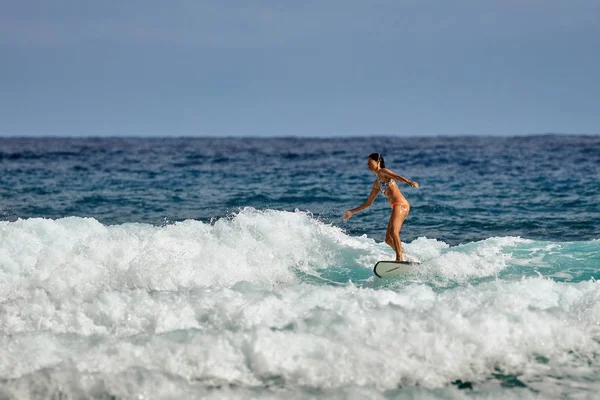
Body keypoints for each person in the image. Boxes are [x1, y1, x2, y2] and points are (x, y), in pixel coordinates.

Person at [343, 153, 419, 262]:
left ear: (378, 162)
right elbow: (368, 203)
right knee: (388, 239)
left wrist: (409, 182)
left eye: (370, 162)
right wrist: (351, 211)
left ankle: (399, 259)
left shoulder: (383, 172)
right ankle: (404, 255)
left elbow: (396, 176)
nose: (368, 164)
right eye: (367, 162)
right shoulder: (376, 183)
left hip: (401, 204)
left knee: (394, 232)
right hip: (395, 206)